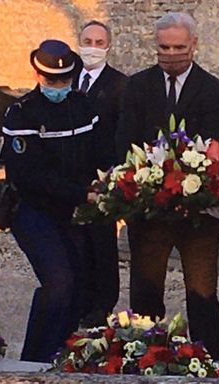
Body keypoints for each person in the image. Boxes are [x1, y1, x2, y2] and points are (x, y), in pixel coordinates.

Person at [116, 12, 219, 361]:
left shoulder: (213, 91)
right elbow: (125, 142)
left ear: (194, 45)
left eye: (178, 47)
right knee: (146, 292)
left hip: (197, 215)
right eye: (164, 47)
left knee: (202, 293)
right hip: (149, 211)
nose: (171, 54)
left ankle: (208, 360)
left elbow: (216, 150)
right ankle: (146, 355)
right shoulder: (137, 87)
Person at [2, 39, 111, 362]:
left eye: (65, 80)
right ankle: (33, 360)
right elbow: (29, 176)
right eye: (53, 81)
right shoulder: (21, 114)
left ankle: (59, 355)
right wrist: (83, 192)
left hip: (73, 211)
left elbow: (102, 152)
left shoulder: (83, 107)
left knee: (80, 287)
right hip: (34, 211)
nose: (59, 87)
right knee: (58, 281)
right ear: (38, 75)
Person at [73, 20, 128, 327]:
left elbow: (122, 132)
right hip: (72, 177)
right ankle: (78, 300)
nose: (92, 47)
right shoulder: (67, 80)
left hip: (102, 174)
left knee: (101, 243)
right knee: (75, 242)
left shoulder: (120, 85)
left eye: (98, 42)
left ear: (108, 46)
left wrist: (112, 173)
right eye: (87, 40)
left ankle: (102, 304)